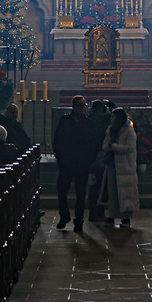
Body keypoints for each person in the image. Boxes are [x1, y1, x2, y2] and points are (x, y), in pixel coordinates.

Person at [53, 95, 98, 232]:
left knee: (80, 194)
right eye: (80, 105)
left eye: (84, 105)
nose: (82, 108)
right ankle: (64, 215)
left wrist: (89, 160)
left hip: (82, 163)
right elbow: (57, 141)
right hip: (66, 162)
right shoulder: (65, 121)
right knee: (62, 191)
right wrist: (60, 158)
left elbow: (93, 144)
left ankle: (79, 220)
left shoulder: (89, 123)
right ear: (73, 107)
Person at [101, 107, 139, 227]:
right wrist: (109, 146)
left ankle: (126, 218)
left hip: (125, 166)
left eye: (113, 116)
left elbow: (130, 148)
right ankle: (112, 215)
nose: (111, 119)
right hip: (112, 164)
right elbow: (104, 145)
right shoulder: (110, 129)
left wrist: (114, 146)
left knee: (126, 193)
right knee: (112, 192)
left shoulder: (129, 131)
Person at [87, 100, 111, 221]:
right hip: (101, 154)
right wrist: (109, 103)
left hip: (90, 156)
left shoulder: (87, 120)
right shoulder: (105, 120)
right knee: (101, 186)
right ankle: (99, 212)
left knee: (93, 186)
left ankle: (93, 211)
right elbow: (115, 113)